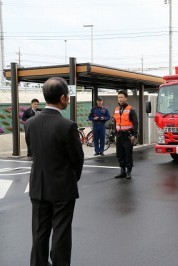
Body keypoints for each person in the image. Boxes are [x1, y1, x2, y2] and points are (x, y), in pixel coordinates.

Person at [25, 77, 84, 266]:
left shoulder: (30, 123)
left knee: (39, 232)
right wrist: (72, 177)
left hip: (38, 185)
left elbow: (32, 151)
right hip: (62, 187)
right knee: (61, 232)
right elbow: (77, 158)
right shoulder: (67, 126)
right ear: (63, 98)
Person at [113, 90, 139, 180]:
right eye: (118, 97)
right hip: (119, 135)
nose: (120, 99)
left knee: (128, 154)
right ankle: (122, 171)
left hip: (128, 135)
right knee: (119, 154)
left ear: (126, 98)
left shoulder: (131, 110)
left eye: (121, 97)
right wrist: (115, 135)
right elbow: (115, 123)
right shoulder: (116, 110)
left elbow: (135, 123)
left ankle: (128, 172)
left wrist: (134, 135)